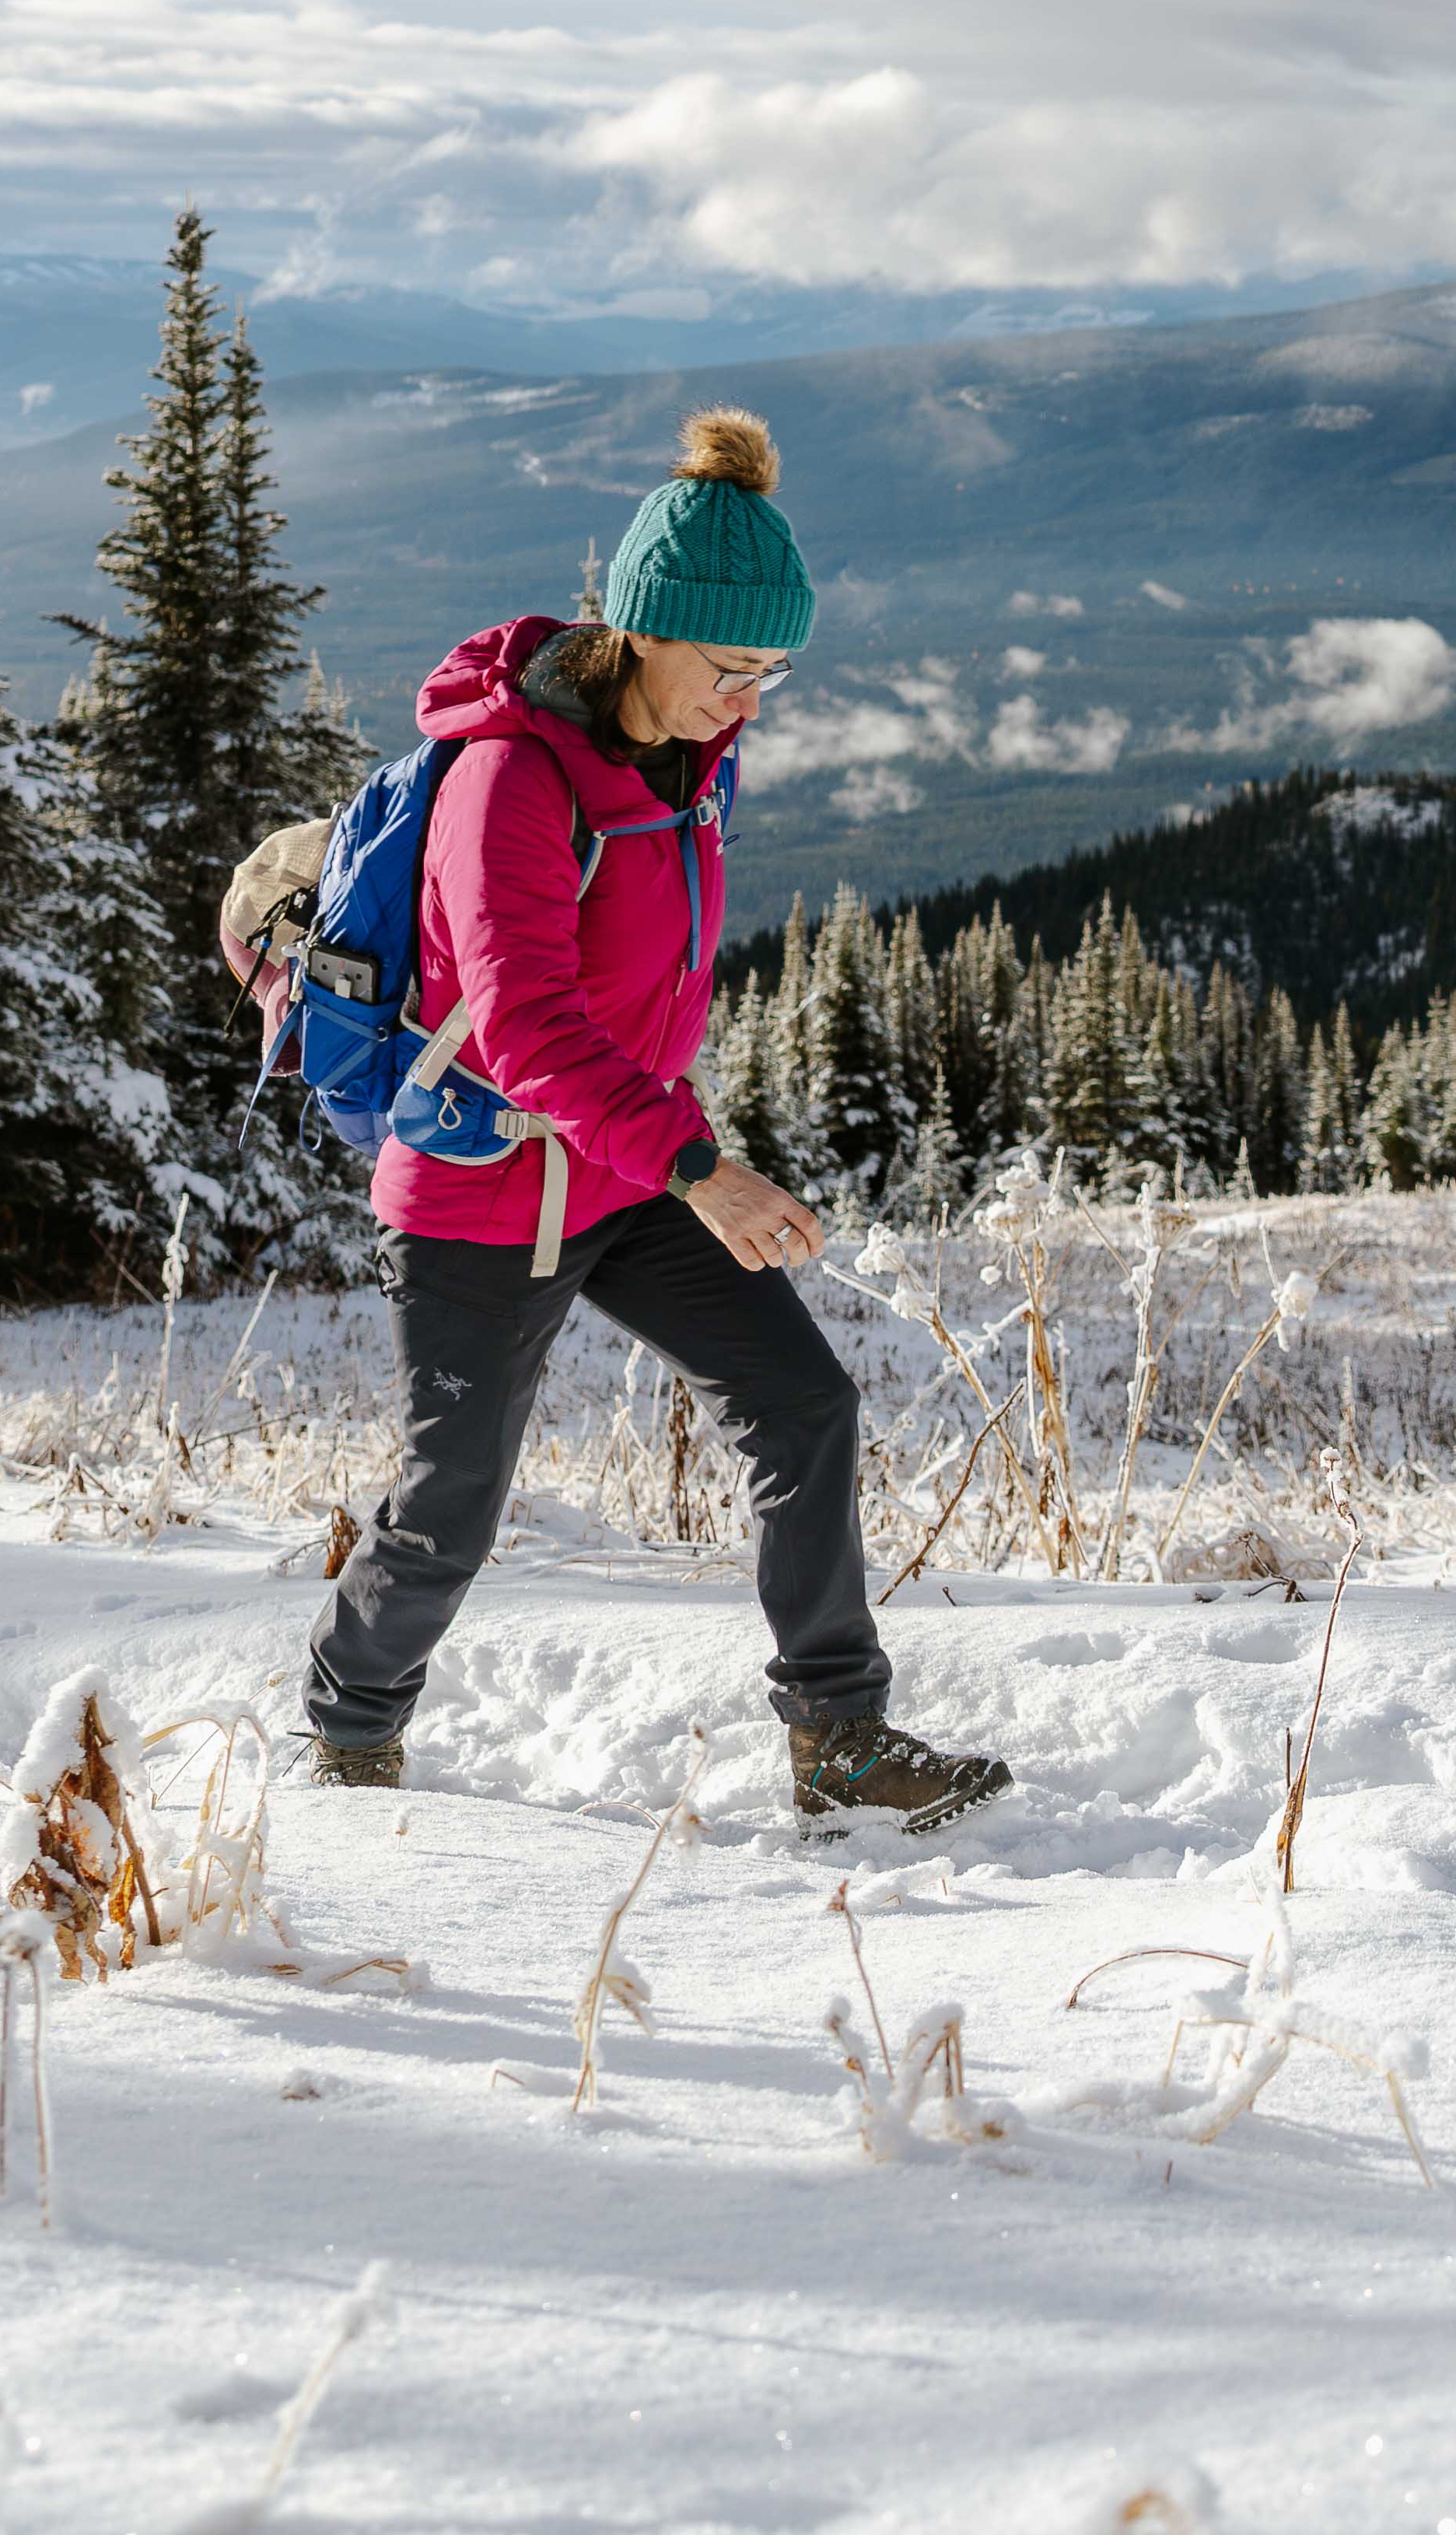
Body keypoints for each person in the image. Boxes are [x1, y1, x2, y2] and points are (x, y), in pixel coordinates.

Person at [290, 407, 1007, 1827]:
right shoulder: (510, 780)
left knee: (804, 1404)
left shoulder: (687, 765)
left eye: (771, 674)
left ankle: (840, 1739)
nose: (745, 702)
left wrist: (675, 1153)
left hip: (617, 1178)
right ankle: (348, 1736)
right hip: (484, 1198)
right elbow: (524, 1026)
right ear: (636, 629)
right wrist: (706, 1170)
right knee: (449, 1515)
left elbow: (646, 995)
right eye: (727, 666)